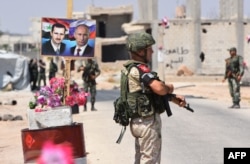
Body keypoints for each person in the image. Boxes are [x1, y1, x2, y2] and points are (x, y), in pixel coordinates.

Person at [124, 32, 186, 163]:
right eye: (149, 49)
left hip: (138, 122)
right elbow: (159, 88)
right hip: (147, 123)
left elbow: (148, 93)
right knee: (150, 160)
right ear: (141, 51)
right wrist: (169, 87)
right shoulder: (140, 69)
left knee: (141, 159)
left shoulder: (131, 69)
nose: (152, 52)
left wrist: (174, 99)